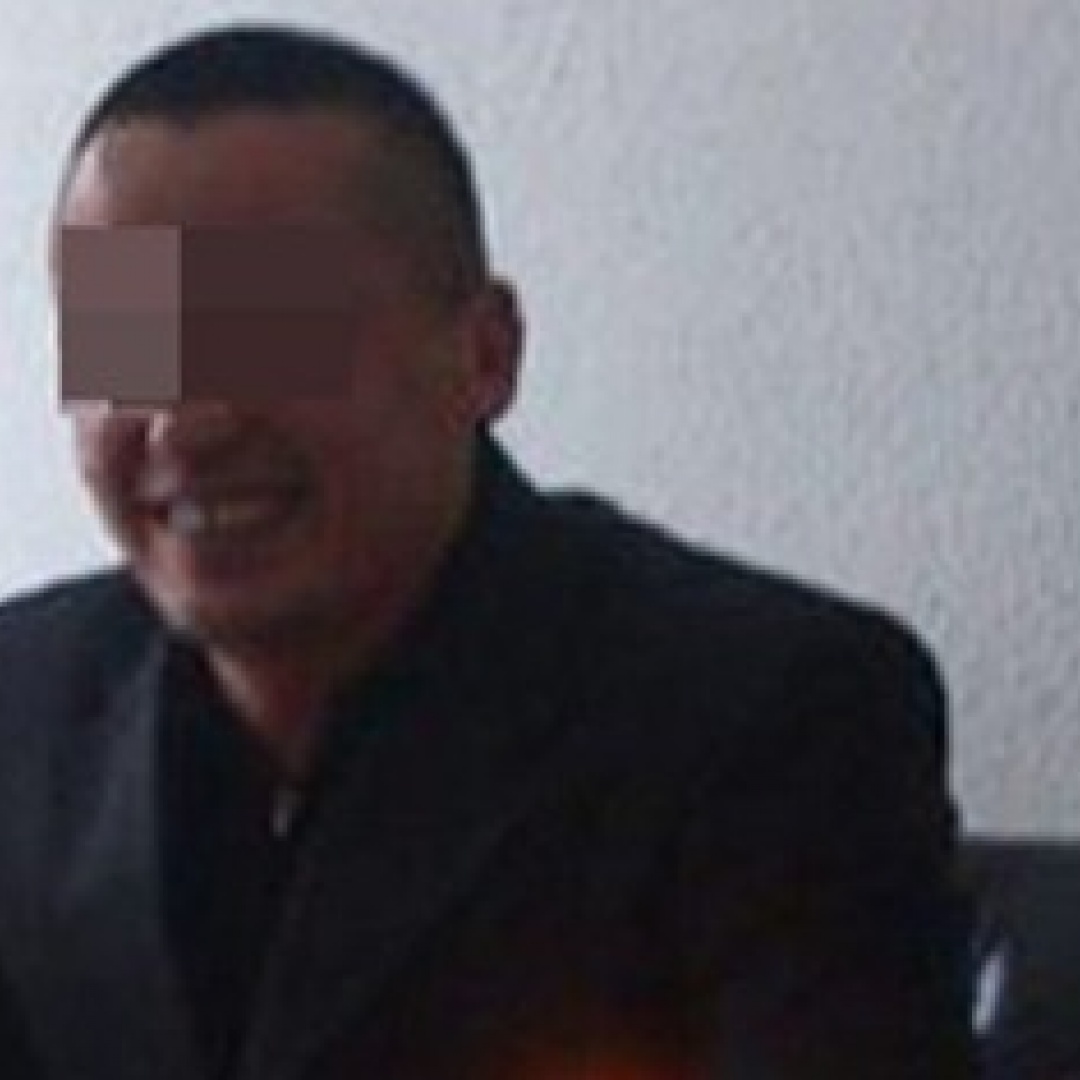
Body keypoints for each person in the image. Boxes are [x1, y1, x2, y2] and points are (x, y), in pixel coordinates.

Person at [0, 23, 975, 1080]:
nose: (186, 423)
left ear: (485, 354)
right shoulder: (23, 700)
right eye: (131, 340)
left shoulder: (774, 717)